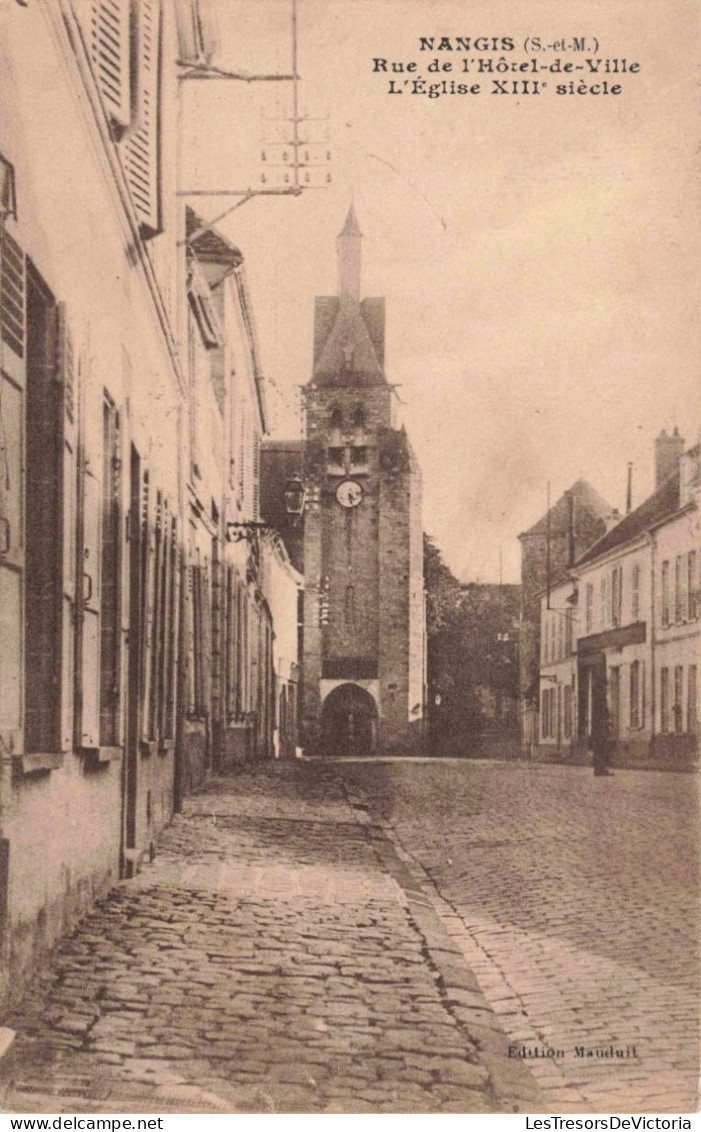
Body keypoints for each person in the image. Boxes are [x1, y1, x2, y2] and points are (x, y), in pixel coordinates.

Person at [591, 694, 613, 777]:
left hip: (600, 733)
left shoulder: (598, 703)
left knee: (600, 751)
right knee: (601, 750)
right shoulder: (600, 704)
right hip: (600, 733)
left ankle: (599, 769)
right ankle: (600, 769)